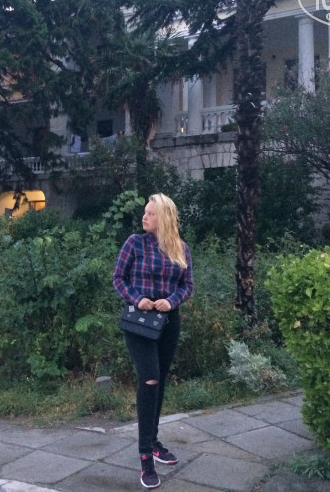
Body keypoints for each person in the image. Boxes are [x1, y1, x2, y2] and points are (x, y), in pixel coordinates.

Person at [112, 193, 194, 489]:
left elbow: (187, 285)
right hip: (139, 323)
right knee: (149, 379)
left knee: (159, 381)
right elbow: (118, 278)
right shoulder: (134, 243)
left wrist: (171, 301)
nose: (144, 217)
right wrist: (138, 299)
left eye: (150, 213)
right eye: (145, 212)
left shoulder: (181, 248)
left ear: (164, 217)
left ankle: (154, 441)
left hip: (168, 323)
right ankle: (145, 455)